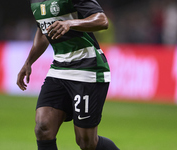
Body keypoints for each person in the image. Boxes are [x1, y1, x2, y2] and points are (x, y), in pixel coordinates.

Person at [17, 0, 120, 150]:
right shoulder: (36, 2)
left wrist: (70, 23)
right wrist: (28, 62)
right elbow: (43, 31)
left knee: (87, 142)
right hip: (59, 68)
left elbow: (102, 20)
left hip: (88, 68)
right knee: (42, 127)